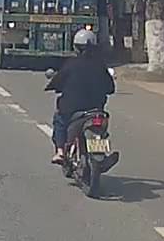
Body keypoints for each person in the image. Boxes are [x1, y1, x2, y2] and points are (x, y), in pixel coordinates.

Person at [45, 28, 115, 164]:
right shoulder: (100, 65)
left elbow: (57, 81)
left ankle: (60, 152)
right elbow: (110, 88)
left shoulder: (71, 64)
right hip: (96, 110)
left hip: (71, 110)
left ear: (76, 47)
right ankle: (101, 154)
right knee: (100, 130)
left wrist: (52, 85)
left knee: (59, 121)